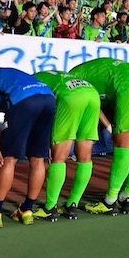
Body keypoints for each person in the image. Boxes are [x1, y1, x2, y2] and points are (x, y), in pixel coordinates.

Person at [69, 58, 129, 215]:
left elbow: (92, 104)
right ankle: (126, 196)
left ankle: (109, 201)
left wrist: (108, 127)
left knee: (122, 147)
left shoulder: (74, 78)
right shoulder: (92, 69)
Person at [0, 69, 56, 227]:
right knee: (38, 159)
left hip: (24, 100)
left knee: (8, 159)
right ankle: (27, 209)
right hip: (48, 98)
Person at [33, 70, 103, 220]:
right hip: (92, 94)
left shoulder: (32, 81)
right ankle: (72, 205)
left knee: (59, 157)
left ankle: (50, 208)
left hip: (71, 97)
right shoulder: (56, 75)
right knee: (85, 157)